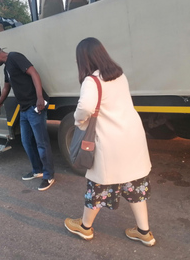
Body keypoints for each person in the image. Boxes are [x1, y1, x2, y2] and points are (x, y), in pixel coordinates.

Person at [64, 37, 155, 246]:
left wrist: (78, 121)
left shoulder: (92, 80)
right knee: (135, 184)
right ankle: (144, 231)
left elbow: (85, 108)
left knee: (99, 185)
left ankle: (85, 228)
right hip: (132, 137)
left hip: (110, 141)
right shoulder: (118, 74)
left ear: (83, 59)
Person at [0, 43, 55, 191]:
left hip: (35, 106)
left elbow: (34, 73)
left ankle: (49, 175)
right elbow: (6, 87)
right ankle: (37, 170)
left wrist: (40, 98)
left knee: (42, 143)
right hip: (24, 108)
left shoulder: (15, 57)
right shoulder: (6, 67)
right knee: (26, 141)